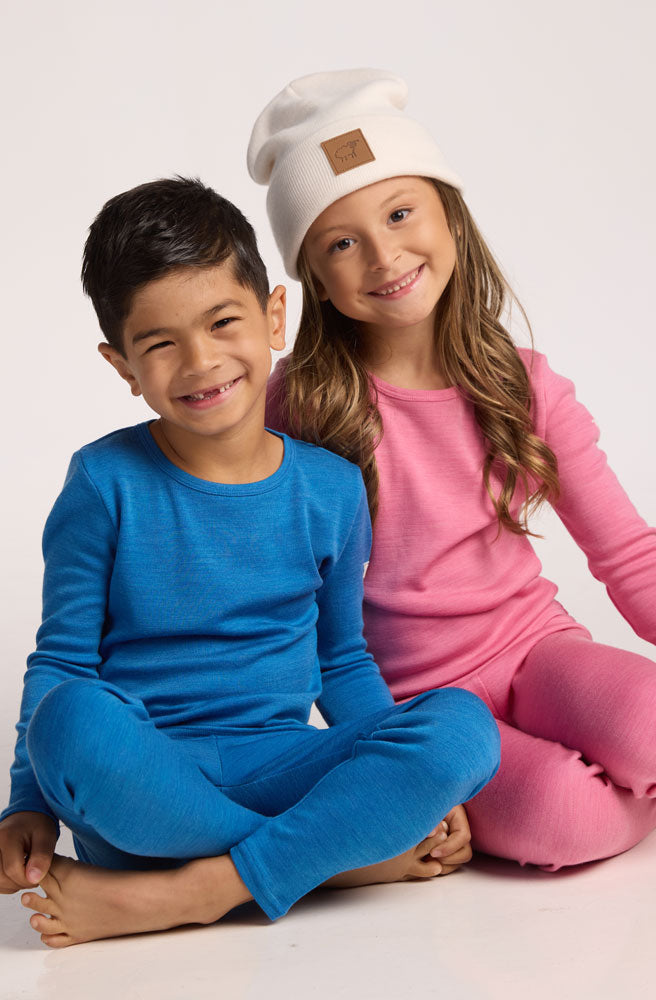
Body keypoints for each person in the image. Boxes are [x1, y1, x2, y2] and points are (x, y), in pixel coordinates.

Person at [0, 177, 501, 948]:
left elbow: (341, 659)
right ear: (121, 365)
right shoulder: (103, 482)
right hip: (145, 789)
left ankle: (198, 891)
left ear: (273, 315)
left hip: (281, 763)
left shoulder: (332, 487)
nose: (200, 362)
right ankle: (338, 860)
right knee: (70, 721)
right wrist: (25, 805)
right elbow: (62, 660)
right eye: (160, 345)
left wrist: (399, 763)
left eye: (221, 322)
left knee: (463, 728)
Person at [249, 68, 656, 870]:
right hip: (423, 707)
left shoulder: (520, 383)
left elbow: (624, 549)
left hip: (536, 649)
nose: (385, 255)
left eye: (400, 212)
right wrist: (394, 764)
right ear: (314, 276)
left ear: (449, 215)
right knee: (562, 817)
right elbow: (294, 612)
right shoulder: (302, 410)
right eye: (342, 242)